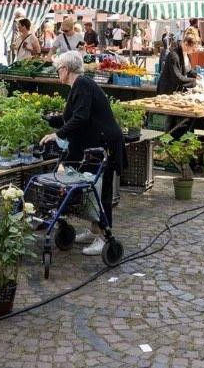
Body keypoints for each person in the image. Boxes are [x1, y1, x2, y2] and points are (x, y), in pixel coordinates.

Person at [39, 50, 126, 256]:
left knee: (101, 191)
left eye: (58, 69)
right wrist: (51, 120)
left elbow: (81, 118)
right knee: (92, 190)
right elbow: (74, 116)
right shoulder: (79, 86)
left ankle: (104, 237)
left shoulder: (83, 85)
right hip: (92, 145)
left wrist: (57, 134)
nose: (57, 73)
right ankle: (94, 230)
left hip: (104, 144)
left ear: (66, 69)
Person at [157, 28, 199, 95]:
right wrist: (194, 81)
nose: (193, 51)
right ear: (186, 44)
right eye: (193, 48)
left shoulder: (186, 54)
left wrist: (196, 75)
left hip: (176, 90)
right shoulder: (173, 56)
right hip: (167, 91)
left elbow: (187, 69)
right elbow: (177, 77)